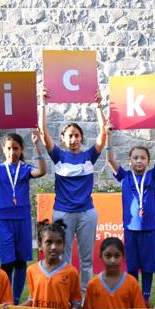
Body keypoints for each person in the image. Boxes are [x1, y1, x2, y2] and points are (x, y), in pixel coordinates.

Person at [38, 90, 107, 296]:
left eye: (77, 135)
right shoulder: (58, 156)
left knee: (86, 259)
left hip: (86, 213)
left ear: (81, 138)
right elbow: (43, 132)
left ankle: (84, 295)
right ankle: (65, 293)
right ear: (63, 138)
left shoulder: (89, 156)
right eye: (70, 136)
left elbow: (104, 133)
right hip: (63, 213)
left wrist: (98, 106)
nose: (74, 139)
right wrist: (43, 103)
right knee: (63, 257)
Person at [0, 121, 47, 305]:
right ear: (3, 149)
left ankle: (14, 299)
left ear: (21, 150)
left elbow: (43, 171)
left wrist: (38, 144)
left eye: (16, 148)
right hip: (4, 220)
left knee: (21, 262)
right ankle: (4, 297)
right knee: (7, 262)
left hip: (21, 219)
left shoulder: (26, 169)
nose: (12, 152)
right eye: (9, 148)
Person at [105, 120, 155, 303]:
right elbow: (109, 160)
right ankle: (133, 297)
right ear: (130, 161)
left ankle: (146, 298)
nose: (139, 160)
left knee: (148, 267)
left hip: (149, 230)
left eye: (142, 158)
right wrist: (108, 136)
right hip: (130, 229)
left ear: (148, 161)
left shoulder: (152, 176)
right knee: (132, 267)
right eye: (135, 158)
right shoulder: (124, 176)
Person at [17, 220, 82, 309]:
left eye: (58, 242)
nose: (54, 247)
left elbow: (76, 302)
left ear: (64, 246)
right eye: (49, 242)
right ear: (40, 246)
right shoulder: (31, 270)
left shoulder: (71, 272)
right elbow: (32, 300)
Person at [83, 237, 147, 309]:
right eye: (108, 256)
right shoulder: (93, 284)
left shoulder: (132, 283)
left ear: (123, 257)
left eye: (117, 256)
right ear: (101, 257)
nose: (113, 260)